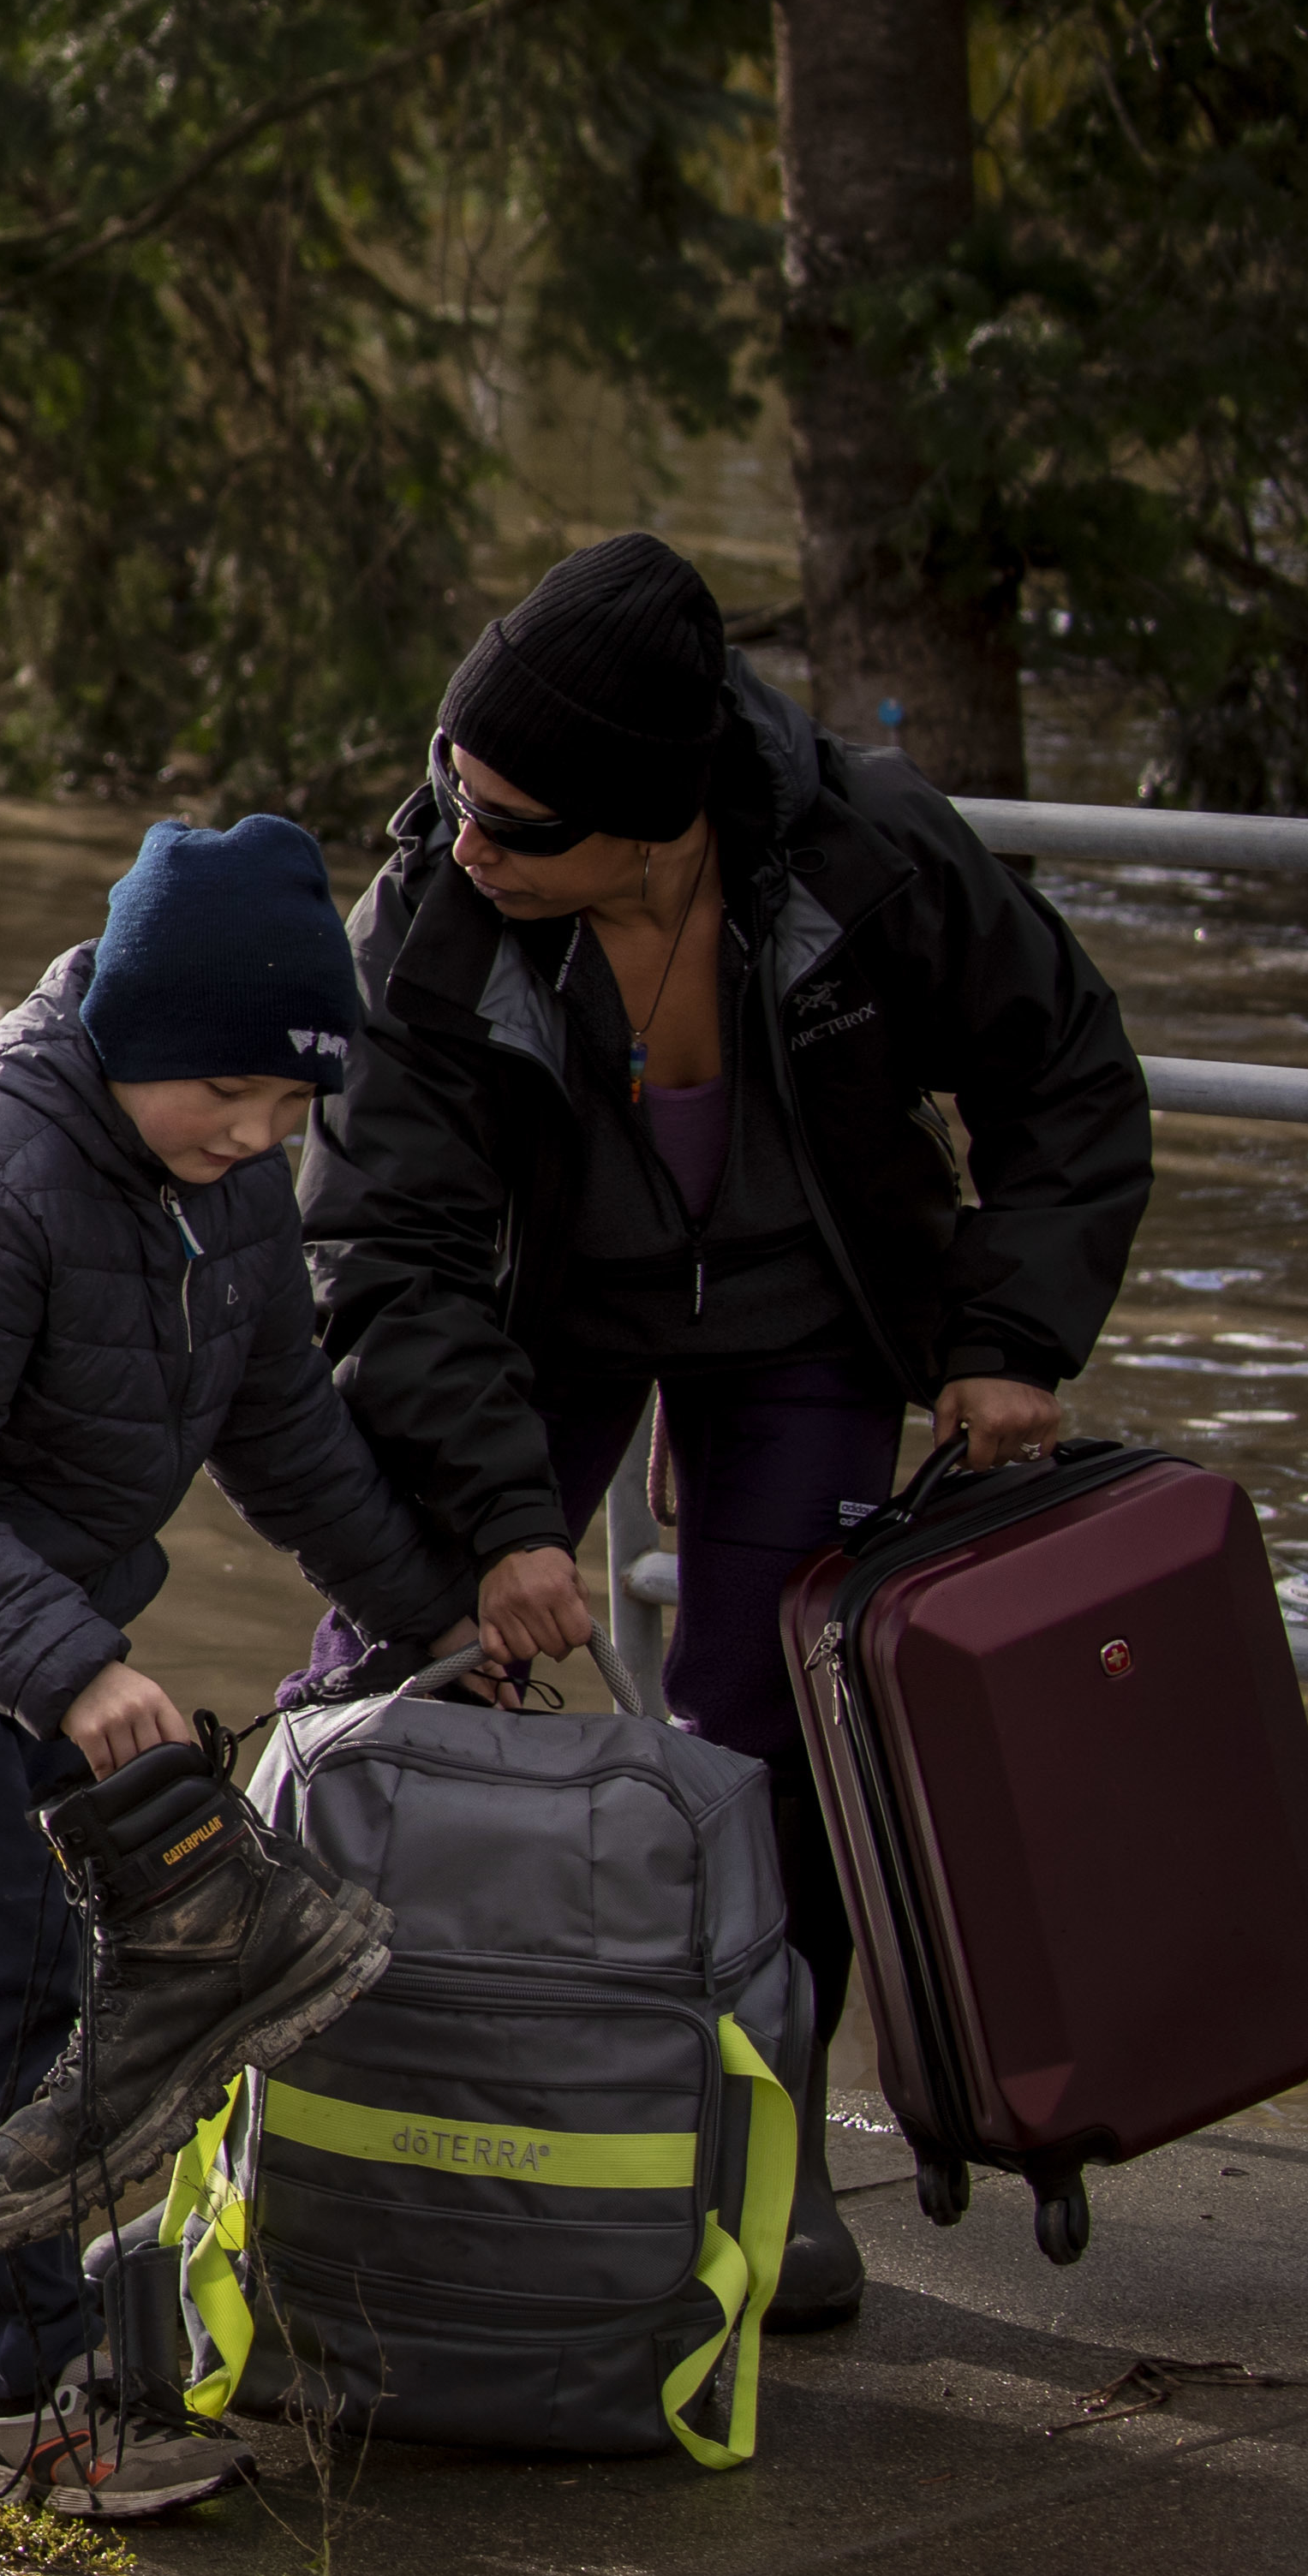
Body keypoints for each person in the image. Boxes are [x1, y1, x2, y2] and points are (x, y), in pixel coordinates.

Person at [308, 531, 1153, 2324]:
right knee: (411, 1659)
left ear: (654, 819)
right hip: (524, 1317)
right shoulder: (430, 926)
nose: (463, 836)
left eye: (515, 820)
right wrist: (501, 1518)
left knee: (776, 1728)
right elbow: (380, 1248)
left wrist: (1003, 1334)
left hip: (803, 1315)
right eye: (450, 785)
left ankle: (741, 2152)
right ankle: (353, 2109)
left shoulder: (870, 854)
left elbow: (1064, 1068)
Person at [0, 816, 468, 2519]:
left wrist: (431, 1618)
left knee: (58, 1964)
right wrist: (67, 1674)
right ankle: (22, 2411)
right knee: (8, 1976)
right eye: (235, 1099)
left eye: (291, 1112)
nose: (261, 1137)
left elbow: (291, 1442)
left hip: (14, 1605)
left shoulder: (226, 1183)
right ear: (138, 1034)